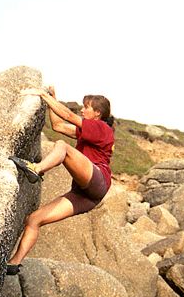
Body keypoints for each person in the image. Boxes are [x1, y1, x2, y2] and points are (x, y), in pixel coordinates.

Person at [7, 87, 115, 275]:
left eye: (86, 107)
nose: (82, 110)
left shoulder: (101, 128)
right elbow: (58, 125)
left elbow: (67, 115)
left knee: (62, 147)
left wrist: (43, 95)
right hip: (85, 195)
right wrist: (53, 100)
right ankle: (14, 263)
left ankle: (37, 169)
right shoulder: (87, 131)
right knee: (34, 219)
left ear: (97, 113)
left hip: (98, 180)